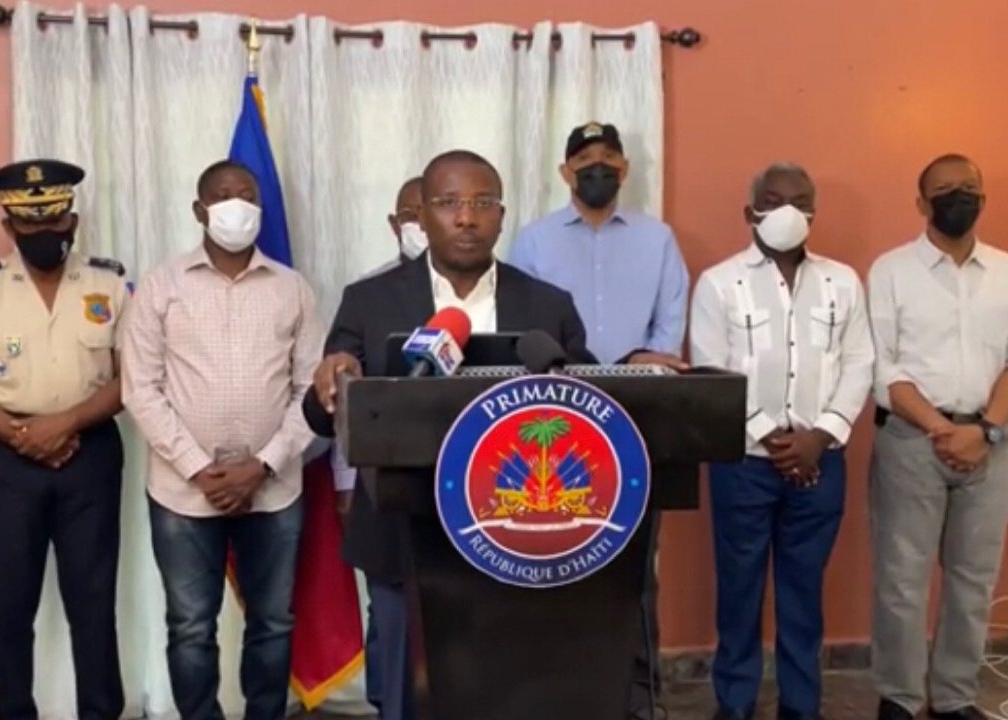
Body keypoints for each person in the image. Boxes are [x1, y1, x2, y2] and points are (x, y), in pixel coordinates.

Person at [304, 149, 595, 720]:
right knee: (405, 697)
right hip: (401, 535)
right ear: (422, 215)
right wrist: (331, 382)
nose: (466, 218)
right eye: (448, 203)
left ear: (501, 216)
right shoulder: (370, 301)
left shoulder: (547, 306)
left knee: (510, 695)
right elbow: (321, 416)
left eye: (482, 203)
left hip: (515, 534)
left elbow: (583, 412)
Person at [121, 160, 323, 720]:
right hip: (183, 492)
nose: (237, 205)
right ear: (199, 210)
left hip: (274, 486)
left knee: (273, 621)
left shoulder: (292, 289)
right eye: (223, 195)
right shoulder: (162, 285)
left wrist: (264, 464)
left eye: (247, 195)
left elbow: (312, 390)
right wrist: (196, 467)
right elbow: (140, 388)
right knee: (190, 626)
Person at [0, 159, 128, 720]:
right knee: (11, 605)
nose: (45, 232)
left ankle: (100, 712)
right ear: (9, 227)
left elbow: (131, 377)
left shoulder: (110, 283)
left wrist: (64, 425)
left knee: (93, 603)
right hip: (8, 458)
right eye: (30, 223)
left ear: (73, 221)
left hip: (90, 451)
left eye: (55, 220)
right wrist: (22, 435)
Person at [508, 120, 690, 717]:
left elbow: (669, 325)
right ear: (565, 171)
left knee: (635, 567)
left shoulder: (657, 239)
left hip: (638, 419)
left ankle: (639, 698)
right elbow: (522, 328)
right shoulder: (533, 241)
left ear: (625, 168)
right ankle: (559, 692)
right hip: (557, 426)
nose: (598, 166)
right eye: (585, 157)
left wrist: (641, 365)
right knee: (556, 559)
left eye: (609, 156)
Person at [689, 163, 874, 720]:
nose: (788, 211)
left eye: (800, 200)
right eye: (774, 200)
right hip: (744, 464)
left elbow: (860, 362)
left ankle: (801, 706)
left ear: (814, 211)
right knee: (739, 590)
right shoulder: (719, 283)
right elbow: (710, 368)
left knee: (803, 593)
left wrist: (820, 436)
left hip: (821, 461)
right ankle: (735, 703)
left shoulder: (843, 281)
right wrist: (772, 438)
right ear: (750, 212)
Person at [868, 154, 1008, 720]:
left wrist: (984, 430)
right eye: (945, 189)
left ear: (983, 196)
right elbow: (883, 366)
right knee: (901, 579)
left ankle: (955, 697)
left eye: (968, 187)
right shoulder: (890, 271)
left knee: (973, 580)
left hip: (991, 442)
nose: (959, 196)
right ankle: (900, 698)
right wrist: (942, 429)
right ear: (921, 203)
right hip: (912, 441)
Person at [328, 174, 424, 720]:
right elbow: (338, 397)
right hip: (388, 501)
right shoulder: (367, 297)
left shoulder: (526, 296)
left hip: (479, 502)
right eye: (412, 214)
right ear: (396, 224)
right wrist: (347, 484)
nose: (424, 223)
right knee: (391, 633)